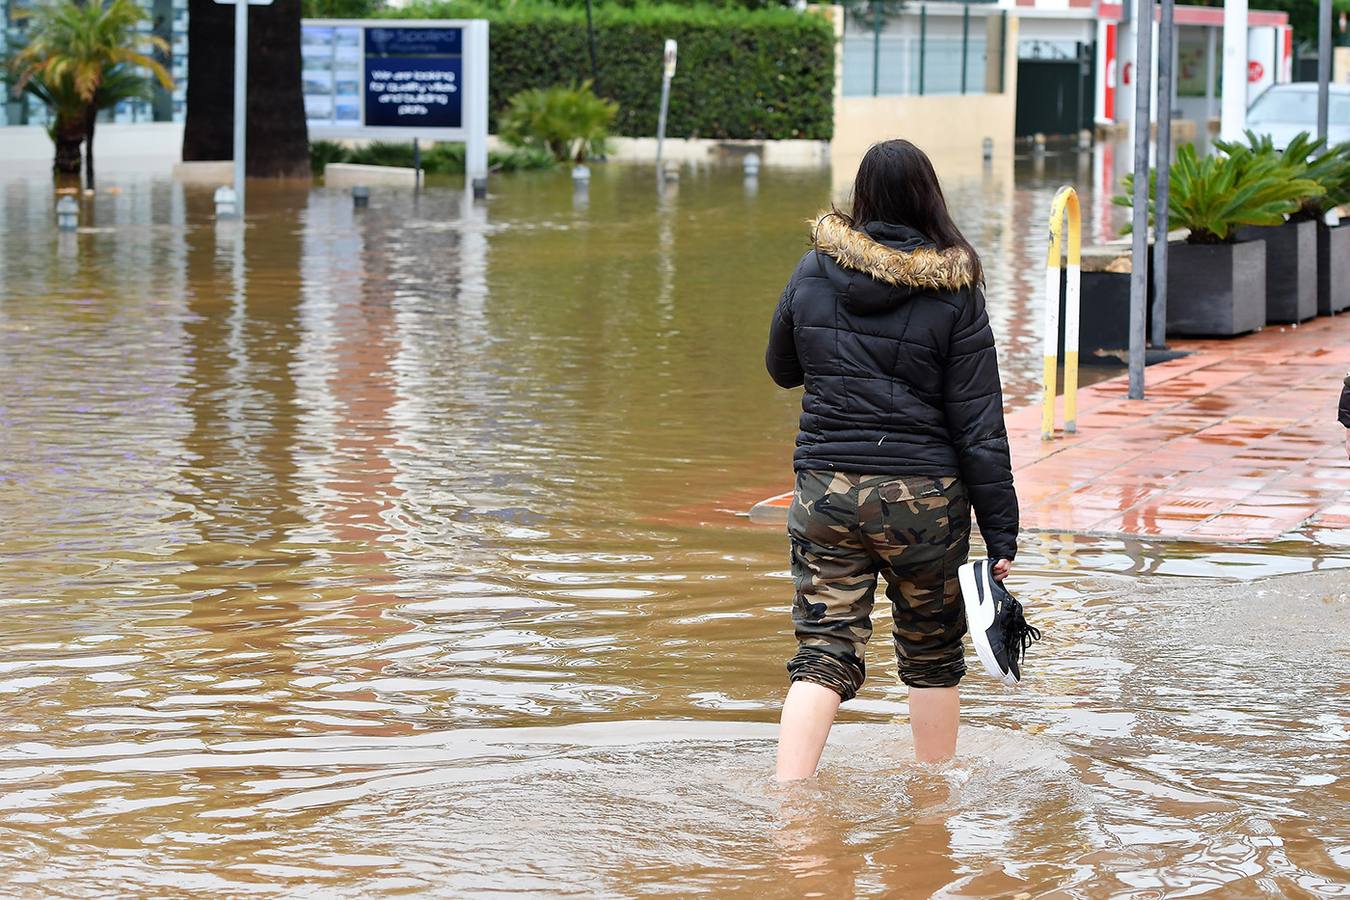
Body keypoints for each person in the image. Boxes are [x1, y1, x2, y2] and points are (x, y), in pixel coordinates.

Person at [765, 139, 1019, 780]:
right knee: (932, 657)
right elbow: (979, 423)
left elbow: (780, 368)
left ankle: (789, 808)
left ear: (863, 197)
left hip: (826, 492)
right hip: (925, 504)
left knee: (824, 654)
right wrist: (1002, 531)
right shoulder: (956, 289)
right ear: (929, 198)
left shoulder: (812, 269)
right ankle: (933, 814)